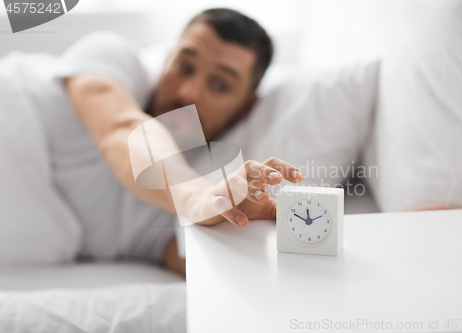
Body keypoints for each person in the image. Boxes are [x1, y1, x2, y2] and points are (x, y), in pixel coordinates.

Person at [34, 8, 303, 276]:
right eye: (184, 67)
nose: (188, 93)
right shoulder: (111, 58)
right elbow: (121, 129)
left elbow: (204, 264)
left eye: (219, 85)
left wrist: (243, 231)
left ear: (245, 109)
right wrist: (198, 196)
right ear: (167, 59)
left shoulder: (178, 204)